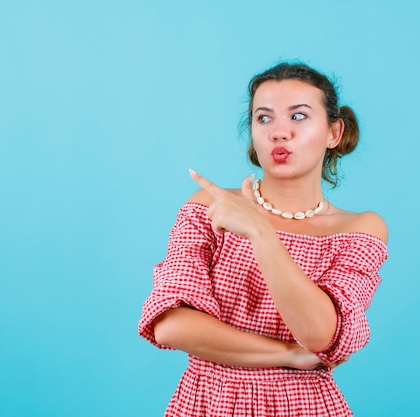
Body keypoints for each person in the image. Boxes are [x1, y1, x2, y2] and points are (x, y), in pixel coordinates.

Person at [138, 62, 389, 416]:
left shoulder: (360, 229)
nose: (279, 133)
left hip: (306, 406)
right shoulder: (211, 207)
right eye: (264, 118)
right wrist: (288, 354)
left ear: (334, 132)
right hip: (208, 402)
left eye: (298, 117)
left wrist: (260, 231)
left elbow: (319, 335)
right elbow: (170, 325)